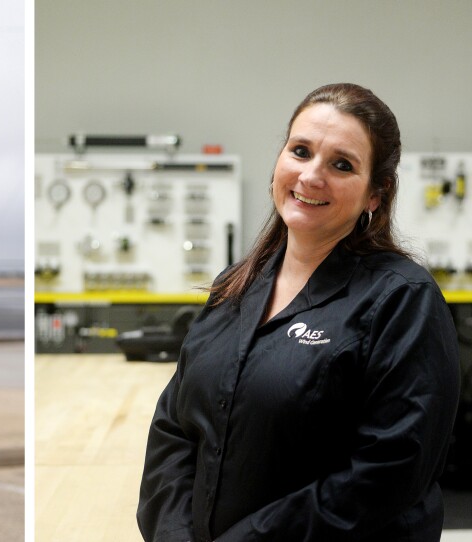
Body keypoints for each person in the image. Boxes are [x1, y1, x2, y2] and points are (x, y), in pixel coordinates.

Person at [137, 83, 460, 541]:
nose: (311, 176)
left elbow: (388, 471)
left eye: (341, 164)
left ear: (375, 194)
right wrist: (174, 532)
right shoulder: (236, 286)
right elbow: (174, 426)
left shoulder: (401, 299)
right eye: (301, 151)